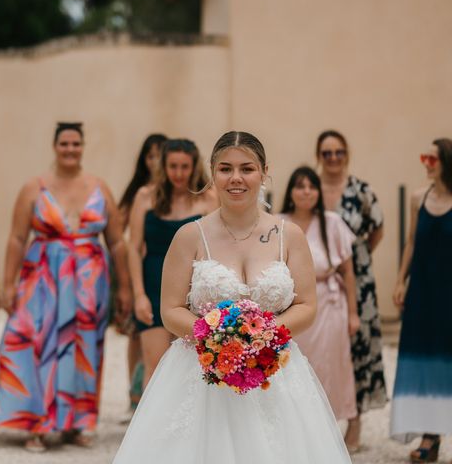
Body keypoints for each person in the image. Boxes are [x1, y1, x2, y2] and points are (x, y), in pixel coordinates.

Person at [113, 131, 351, 463]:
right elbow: (169, 309)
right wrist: (218, 336)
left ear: (264, 171)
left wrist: (261, 334)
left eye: (247, 168)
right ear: (212, 172)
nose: (235, 178)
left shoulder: (289, 236)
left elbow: (307, 306)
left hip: (274, 368)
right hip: (201, 371)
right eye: (225, 169)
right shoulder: (189, 236)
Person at [0, 122, 132, 452]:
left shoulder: (99, 187)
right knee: (39, 344)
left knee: (85, 348)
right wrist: (8, 284)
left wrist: (124, 289)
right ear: (55, 146)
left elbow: (118, 243)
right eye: (64, 143)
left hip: (91, 284)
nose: (70, 149)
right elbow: (17, 238)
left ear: (83, 146)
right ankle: (36, 423)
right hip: (44, 280)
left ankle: (77, 423)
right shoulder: (34, 187)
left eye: (76, 143)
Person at [317, 129, 387, 451]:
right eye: (327, 153)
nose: (333, 158)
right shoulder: (311, 188)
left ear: (347, 154)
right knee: (322, 347)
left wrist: (357, 257)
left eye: (338, 152)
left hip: (357, 279)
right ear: (319, 155)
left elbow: (377, 229)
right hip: (319, 280)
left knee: (357, 346)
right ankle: (318, 420)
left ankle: (355, 424)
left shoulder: (361, 191)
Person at [128, 138, 217, 387]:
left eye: (185, 167)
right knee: (154, 365)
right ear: (163, 167)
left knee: (193, 366)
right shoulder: (146, 197)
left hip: (192, 289)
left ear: (194, 167)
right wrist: (138, 295)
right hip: (153, 283)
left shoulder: (208, 200)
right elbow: (133, 248)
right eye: (173, 166)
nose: (179, 173)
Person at [279, 166, 359, 424]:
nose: (306, 192)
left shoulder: (332, 222)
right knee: (290, 365)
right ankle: (294, 424)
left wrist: (354, 314)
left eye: (311, 186)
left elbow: (348, 272)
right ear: (291, 191)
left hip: (328, 302)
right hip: (288, 304)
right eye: (300, 186)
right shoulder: (278, 222)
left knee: (331, 365)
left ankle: (337, 423)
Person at [391, 138, 452, 463]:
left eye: (432, 158)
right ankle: (431, 434)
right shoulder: (418, 197)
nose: (426, 163)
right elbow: (412, 241)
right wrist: (401, 280)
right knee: (425, 359)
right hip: (424, 292)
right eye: (423, 157)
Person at [118, 133, 167, 412]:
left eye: (160, 155)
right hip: (138, 269)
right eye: (151, 156)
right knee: (136, 335)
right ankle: (134, 393)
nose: (156, 162)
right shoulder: (138, 193)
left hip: (161, 271)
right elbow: (122, 232)